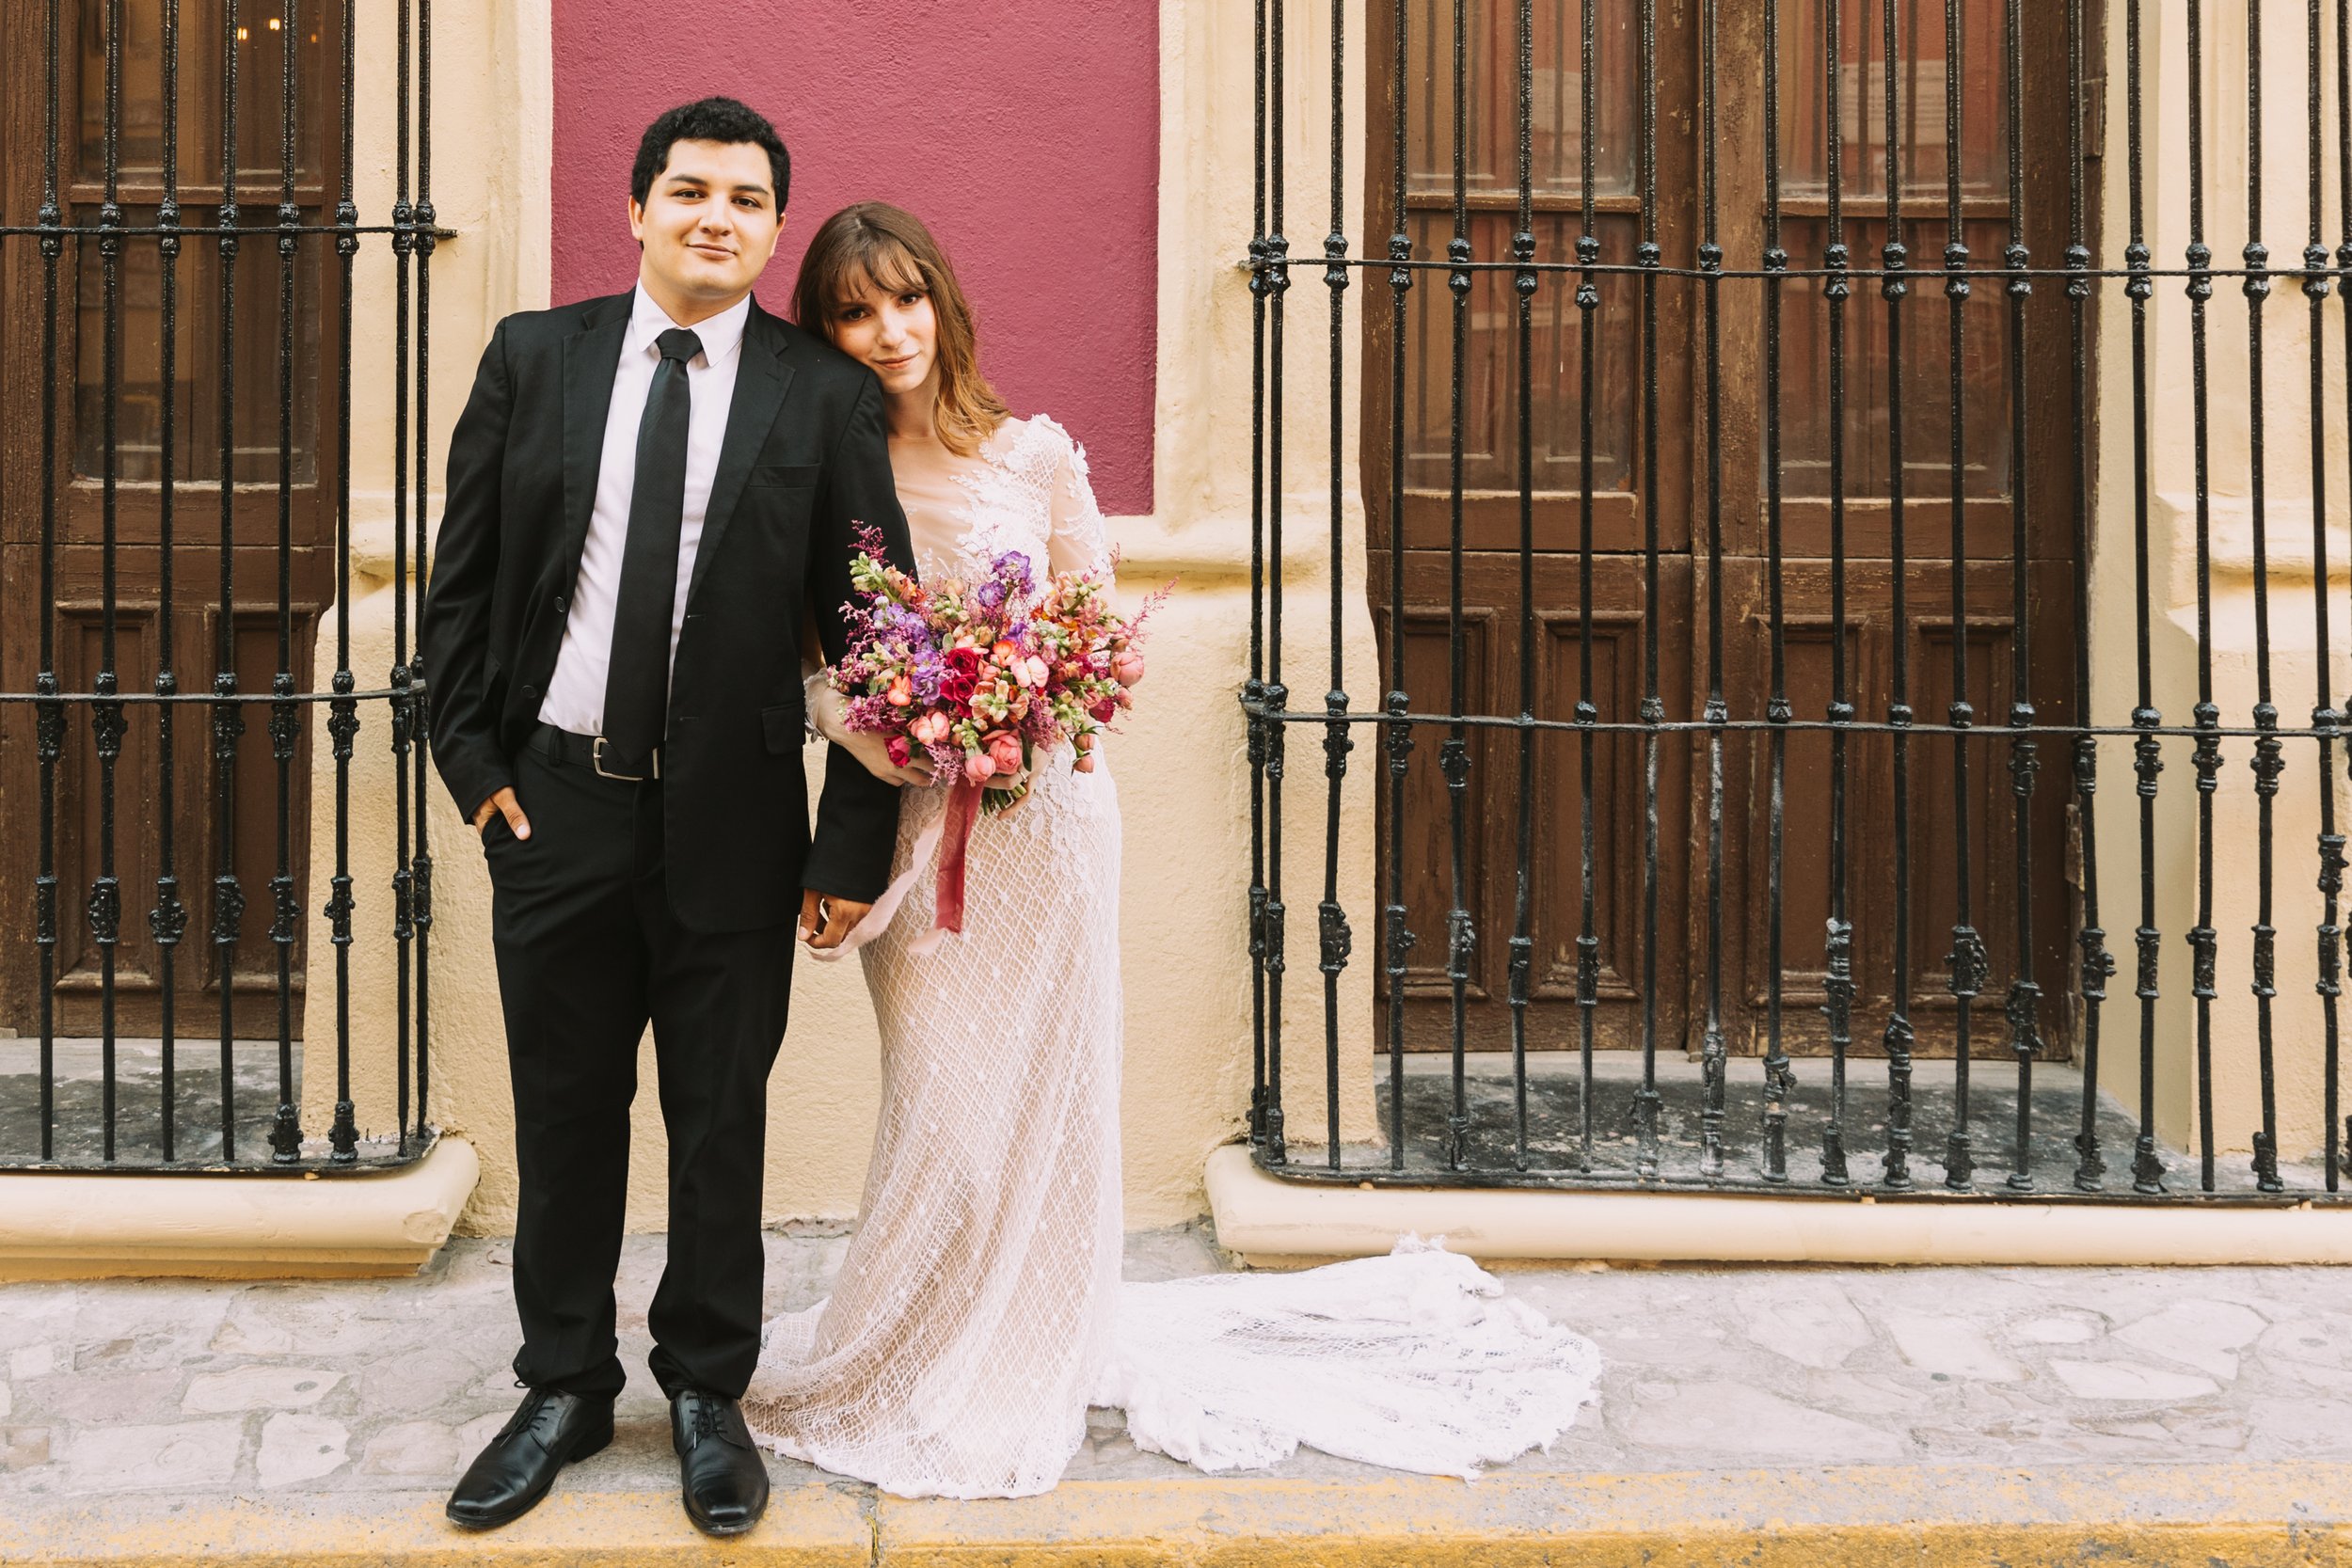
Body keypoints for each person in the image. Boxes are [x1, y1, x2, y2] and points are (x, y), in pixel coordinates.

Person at [741, 203, 1603, 1498]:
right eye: (855, 313)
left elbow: (1098, 639)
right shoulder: (825, 485)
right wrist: (890, 732)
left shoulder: (1033, 458)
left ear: (945, 303)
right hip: (923, 836)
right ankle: (910, 1347)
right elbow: (813, 669)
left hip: (1047, 830)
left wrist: (1028, 705)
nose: (887, 332)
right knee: (947, 1112)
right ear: (826, 334)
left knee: (1048, 1101)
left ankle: (1020, 1346)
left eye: (905, 299)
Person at [420, 100, 914, 1537]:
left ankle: (708, 1391)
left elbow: (874, 640)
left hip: (740, 828)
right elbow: (464, 585)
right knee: (566, 1114)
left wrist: (849, 842)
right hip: (554, 807)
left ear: (771, 229)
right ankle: (565, 1386)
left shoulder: (820, 398)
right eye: (688, 190)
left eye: (748, 200)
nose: (717, 216)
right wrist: (473, 767)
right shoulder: (536, 358)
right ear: (635, 210)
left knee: (718, 1122)